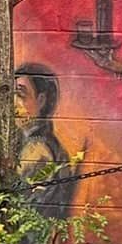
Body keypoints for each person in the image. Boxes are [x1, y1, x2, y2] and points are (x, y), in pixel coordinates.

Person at [15, 62, 74, 222]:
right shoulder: (33, 141)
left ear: (41, 100)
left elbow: (14, 205)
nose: (12, 103)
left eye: (20, 95)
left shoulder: (38, 150)